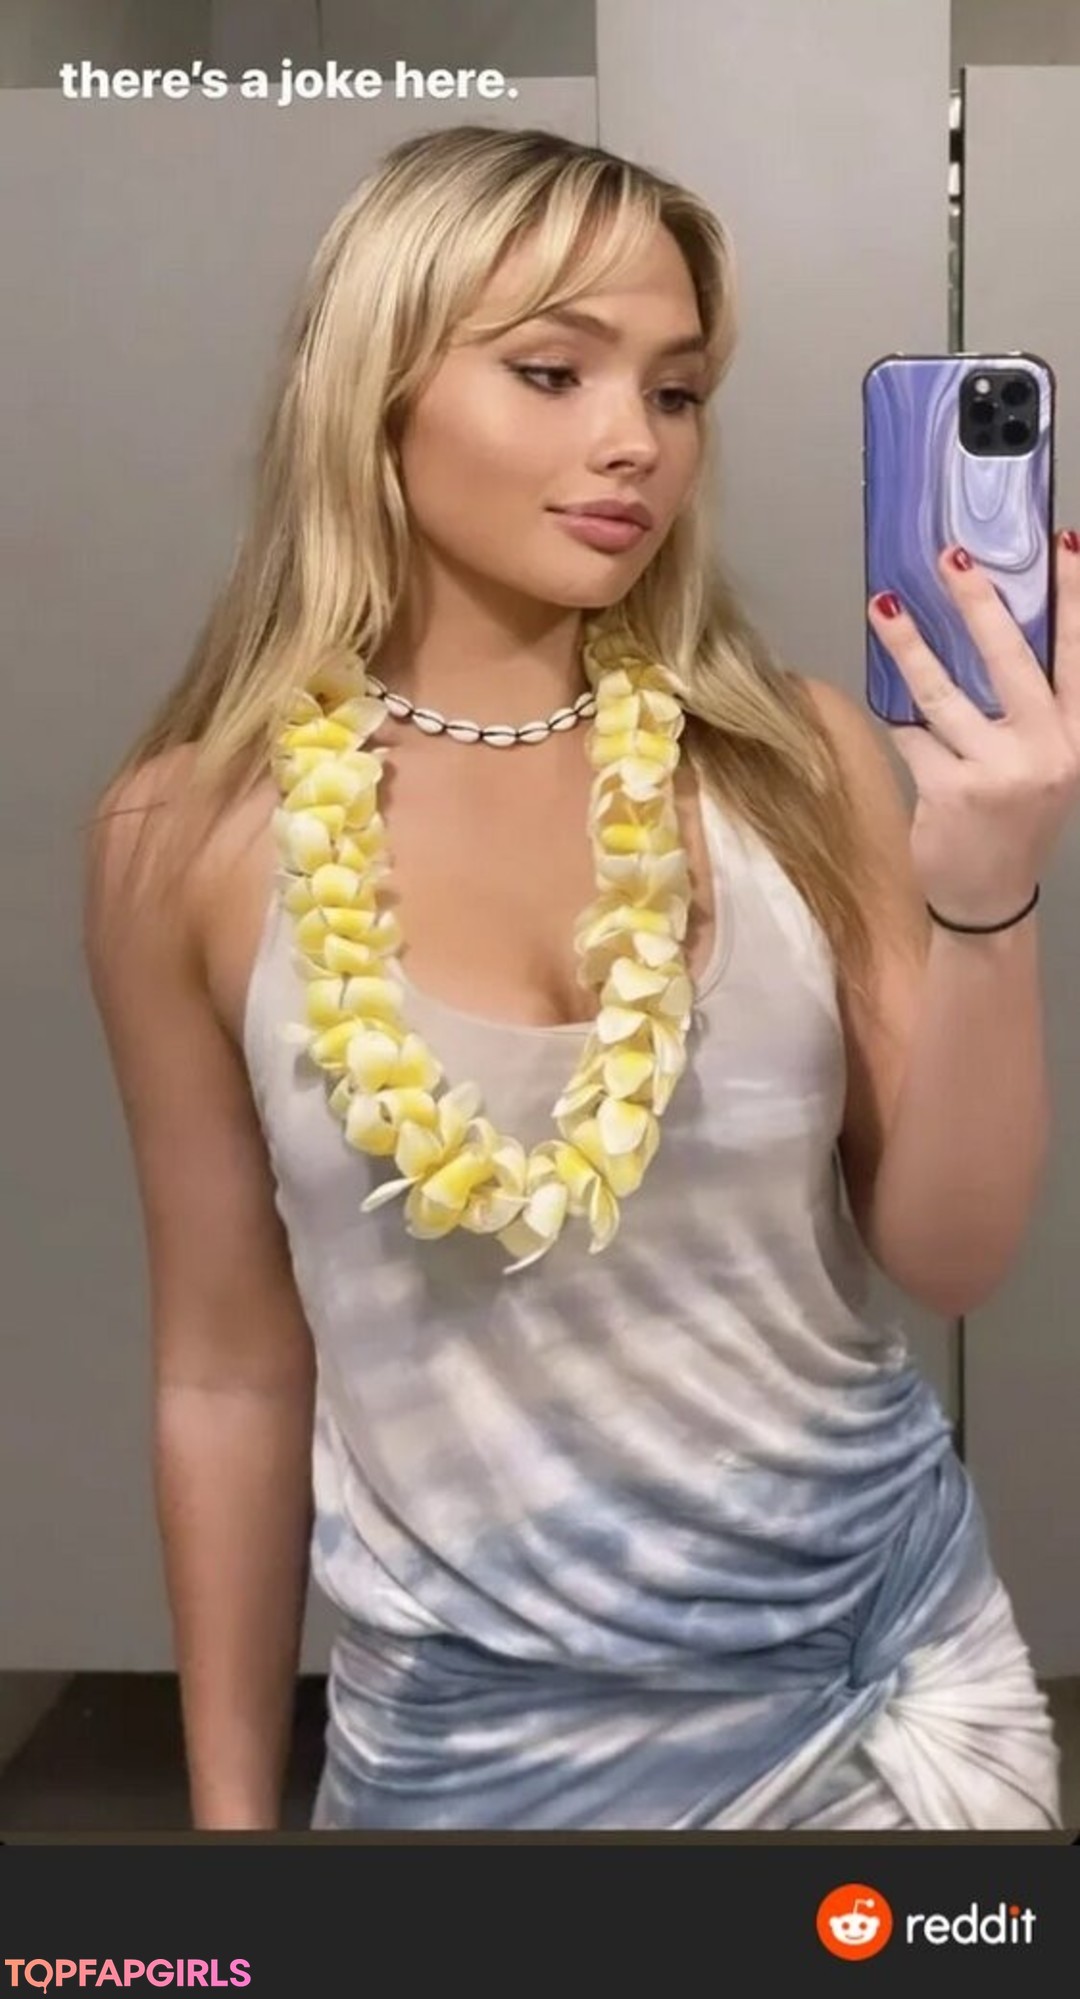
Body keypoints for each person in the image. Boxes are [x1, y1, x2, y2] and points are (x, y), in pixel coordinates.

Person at [82, 123, 1075, 1832]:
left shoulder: (790, 757)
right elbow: (228, 1373)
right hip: (476, 1756)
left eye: (676, 392)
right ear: (375, 390)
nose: (634, 441)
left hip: (889, 1708)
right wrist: (230, 1845)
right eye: (553, 372)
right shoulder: (185, 835)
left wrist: (991, 896)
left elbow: (953, 1256)